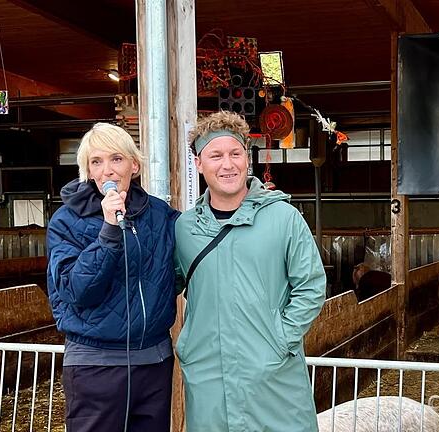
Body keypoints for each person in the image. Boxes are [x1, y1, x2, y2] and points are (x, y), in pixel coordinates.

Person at [174, 111, 326, 431]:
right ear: (199, 164)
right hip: (208, 377)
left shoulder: (283, 218)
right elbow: (163, 284)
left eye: (235, 153)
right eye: (216, 155)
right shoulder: (184, 229)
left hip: (272, 376)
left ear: (247, 158)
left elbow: (310, 286)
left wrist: (278, 340)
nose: (227, 165)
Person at [46, 123, 179, 432]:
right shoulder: (66, 222)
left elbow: (177, 271)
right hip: (96, 365)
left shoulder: (160, 215)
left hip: (154, 362)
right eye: (97, 162)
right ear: (88, 172)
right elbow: (77, 290)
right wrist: (108, 232)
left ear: (134, 165)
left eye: (117, 159)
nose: (107, 170)